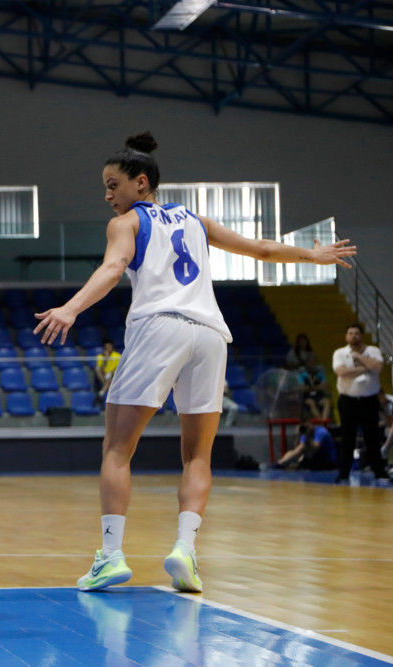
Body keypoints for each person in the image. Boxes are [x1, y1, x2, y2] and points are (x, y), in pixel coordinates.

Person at [32, 131, 357, 593]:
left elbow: (112, 269)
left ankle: (111, 556)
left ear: (141, 183)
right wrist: (312, 255)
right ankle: (185, 550)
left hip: (159, 327)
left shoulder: (126, 223)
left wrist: (71, 308)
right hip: (209, 335)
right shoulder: (195, 220)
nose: (107, 195)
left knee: (118, 449)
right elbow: (261, 250)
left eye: (112, 185)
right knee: (197, 455)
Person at [332, 323, 390, 484]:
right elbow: (341, 372)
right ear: (346, 336)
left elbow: (378, 366)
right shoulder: (340, 353)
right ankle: (343, 473)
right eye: (350, 333)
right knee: (347, 438)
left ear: (361, 335)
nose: (354, 336)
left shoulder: (373, 350)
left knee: (372, 437)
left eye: (357, 333)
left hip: (369, 400)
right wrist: (364, 368)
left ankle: (379, 471)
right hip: (348, 400)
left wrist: (360, 358)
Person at [297, 356, 331, 422]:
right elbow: (303, 388)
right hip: (306, 396)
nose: (313, 364)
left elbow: (324, 386)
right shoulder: (302, 375)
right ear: (307, 363)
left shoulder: (320, 374)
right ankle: (322, 423)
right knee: (311, 403)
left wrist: (310, 387)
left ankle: (324, 422)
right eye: (311, 362)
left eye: (314, 362)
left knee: (327, 402)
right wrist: (317, 387)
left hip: (318, 395)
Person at [94, 339, 121, 404]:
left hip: (113, 375)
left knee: (112, 374)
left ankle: (101, 393)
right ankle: (106, 389)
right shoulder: (100, 356)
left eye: (109, 346)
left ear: (112, 347)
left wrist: (111, 372)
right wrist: (105, 359)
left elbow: (118, 368)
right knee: (97, 369)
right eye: (106, 347)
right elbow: (101, 368)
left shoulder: (117, 356)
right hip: (103, 376)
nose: (108, 348)